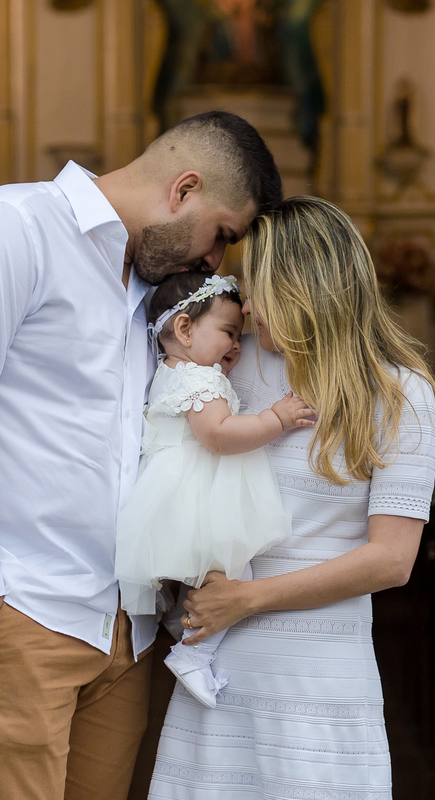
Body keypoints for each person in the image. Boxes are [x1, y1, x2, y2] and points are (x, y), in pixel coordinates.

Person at [0, 111, 281, 800]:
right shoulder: (11, 227)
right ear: (184, 188)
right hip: (21, 608)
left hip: (121, 632)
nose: (214, 261)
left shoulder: (154, 296)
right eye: (221, 234)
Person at [146, 196, 435, 798]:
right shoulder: (231, 362)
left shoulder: (398, 393)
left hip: (321, 673)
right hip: (220, 669)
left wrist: (247, 599)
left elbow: (391, 560)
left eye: (262, 288)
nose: (247, 305)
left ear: (307, 289)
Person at [114, 271, 314, 709]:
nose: (237, 346)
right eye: (228, 332)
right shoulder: (198, 379)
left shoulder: (173, 370)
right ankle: (193, 653)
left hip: (178, 488)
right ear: (185, 329)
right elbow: (219, 436)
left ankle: (185, 634)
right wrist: (275, 420)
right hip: (197, 490)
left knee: (214, 576)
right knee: (234, 575)